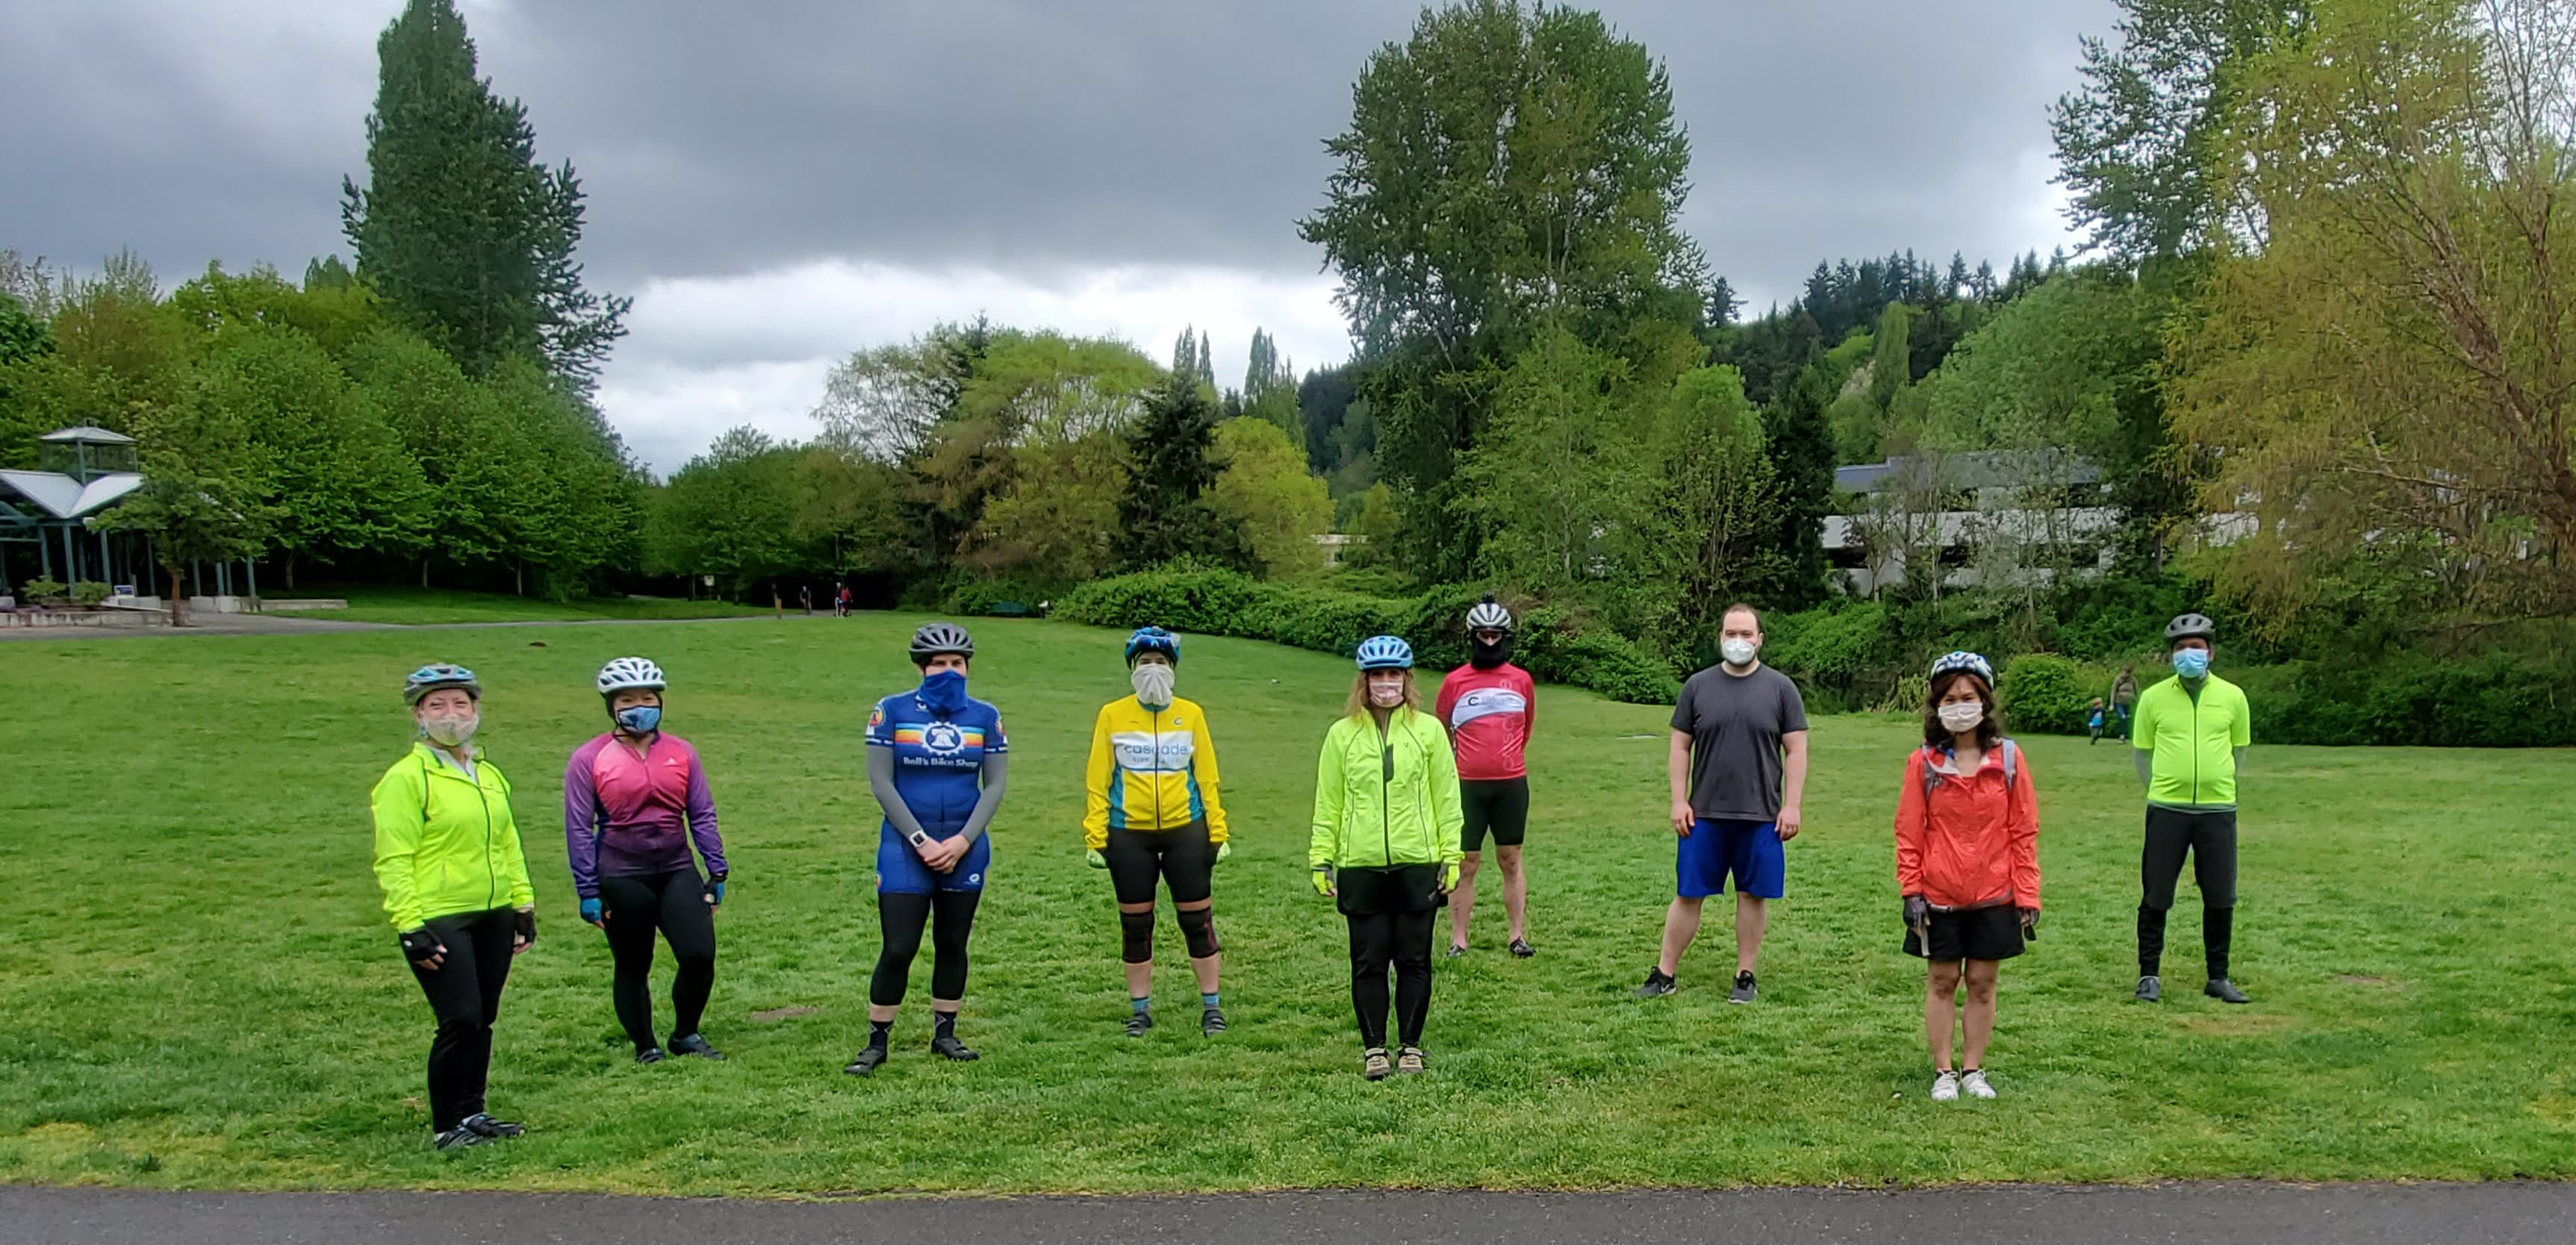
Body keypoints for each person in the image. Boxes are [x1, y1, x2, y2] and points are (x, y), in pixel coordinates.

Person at [370, 664, 537, 1150]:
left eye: (460, 704)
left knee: (483, 1017)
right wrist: (409, 925)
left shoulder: (488, 774)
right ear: (418, 715)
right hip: (439, 915)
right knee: (459, 1017)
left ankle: (473, 1111)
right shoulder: (406, 779)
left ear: (476, 711)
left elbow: (507, 841)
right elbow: (394, 856)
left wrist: (521, 904)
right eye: (437, 705)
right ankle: (447, 1125)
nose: (451, 715)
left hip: (492, 910)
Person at [846, 622, 1009, 1074]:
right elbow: (881, 782)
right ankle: (877, 1042)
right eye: (939, 663)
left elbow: (994, 786)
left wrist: (962, 841)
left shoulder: (985, 716)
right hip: (904, 848)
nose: (949, 670)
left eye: (957, 663)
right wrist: (920, 840)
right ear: (922, 667)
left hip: (965, 846)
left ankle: (945, 1034)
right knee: (899, 947)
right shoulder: (892, 711)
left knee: (953, 943)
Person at [1310, 636, 1463, 1080]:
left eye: (1393, 674)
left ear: (1406, 679)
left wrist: (1451, 856)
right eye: (1377, 675)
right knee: (1369, 961)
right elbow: (1328, 801)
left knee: (1414, 959)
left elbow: (1447, 797)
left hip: (1418, 862)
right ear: (1364, 681)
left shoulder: (1429, 730)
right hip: (1360, 865)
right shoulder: (1341, 736)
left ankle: (1410, 1047)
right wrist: (1322, 859)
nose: (1385, 683)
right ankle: (1374, 1049)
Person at [1640, 603, 1809, 1003]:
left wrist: (1792, 805)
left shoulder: (1782, 689)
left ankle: (1745, 974)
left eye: (1746, 634)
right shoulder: (1697, 687)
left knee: (1752, 895)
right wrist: (1679, 800)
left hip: (1762, 816)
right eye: (1731, 634)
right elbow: (1680, 747)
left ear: (1759, 640)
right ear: (1720, 638)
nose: (1738, 641)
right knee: (1688, 894)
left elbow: (1797, 752)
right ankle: (1665, 973)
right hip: (1704, 816)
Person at [565, 657, 730, 1064]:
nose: (640, 706)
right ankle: (646, 1046)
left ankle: (685, 1034)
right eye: (627, 699)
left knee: (698, 954)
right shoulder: (589, 758)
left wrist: (716, 867)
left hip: (676, 867)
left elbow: (702, 812)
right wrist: (587, 890)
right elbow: (579, 827)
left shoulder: (681, 752)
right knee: (633, 963)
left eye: (648, 698)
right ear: (612, 706)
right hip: (621, 873)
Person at [1896, 652, 2041, 1102]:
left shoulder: (2010, 760)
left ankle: (1974, 1069)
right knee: (1942, 982)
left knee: (1982, 983)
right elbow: (1908, 830)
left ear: (1985, 702)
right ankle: (1943, 1071)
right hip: (1939, 896)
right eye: (1951, 699)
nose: (1960, 706)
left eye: (1969, 697)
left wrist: (2028, 894)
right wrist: (1911, 889)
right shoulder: (1923, 763)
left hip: (1995, 894)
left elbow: (2023, 831)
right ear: (1938, 706)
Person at [1084, 626, 1231, 1037]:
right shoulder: (1112, 715)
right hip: (1128, 832)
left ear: (1174, 669)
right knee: (1135, 926)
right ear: (1132, 669)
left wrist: (1217, 830)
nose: (1154, 670)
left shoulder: (1192, 713)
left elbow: (1207, 775)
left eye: (1162, 663)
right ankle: (1140, 1010)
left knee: (1197, 921)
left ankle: (1212, 1007)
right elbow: (1098, 777)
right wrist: (1095, 835)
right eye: (1145, 663)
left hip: (1187, 829)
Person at [2131, 613, 2253, 1005]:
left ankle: (2218, 976)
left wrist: (2221, 784)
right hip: (2168, 809)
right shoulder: (2152, 698)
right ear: (2171, 656)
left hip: (2218, 810)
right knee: (2156, 894)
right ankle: (2149, 975)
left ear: (2211, 652)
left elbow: (2240, 751)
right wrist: (2164, 790)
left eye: (2196, 647)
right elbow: (2142, 755)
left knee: (2221, 895)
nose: (2189, 654)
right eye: (2181, 648)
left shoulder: (2233, 697)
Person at [1436, 595, 1537, 958]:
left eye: (1496, 635)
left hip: (1511, 784)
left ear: (1506, 637)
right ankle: (1459, 939)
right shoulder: (1455, 682)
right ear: (1472, 636)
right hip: (1466, 785)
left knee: (1510, 859)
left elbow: (1525, 730)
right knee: (1466, 863)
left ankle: (1517, 935)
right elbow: (1441, 730)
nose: (1490, 641)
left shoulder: (1522, 681)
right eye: (1483, 635)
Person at [2111, 666, 2139, 739]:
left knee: (2129, 719)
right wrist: (2112, 704)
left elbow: (2136, 691)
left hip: (2129, 703)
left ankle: (2128, 735)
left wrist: (2138, 702)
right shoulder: (2118, 679)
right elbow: (2113, 691)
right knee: (2123, 717)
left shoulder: (2133, 680)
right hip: (2119, 702)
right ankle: (2122, 735)